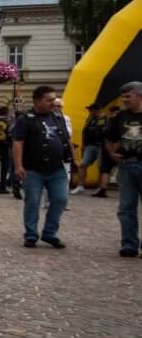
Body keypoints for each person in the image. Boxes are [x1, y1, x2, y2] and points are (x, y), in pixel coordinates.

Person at [13, 84, 77, 249]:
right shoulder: (25, 119)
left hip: (57, 168)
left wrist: (74, 159)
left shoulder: (58, 116)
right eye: (49, 100)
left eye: (53, 99)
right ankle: (31, 235)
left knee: (61, 199)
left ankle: (50, 233)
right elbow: (18, 143)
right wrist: (18, 165)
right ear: (37, 101)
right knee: (32, 202)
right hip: (33, 169)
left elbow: (67, 139)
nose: (52, 103)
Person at [105, 82, 142, 257]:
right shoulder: (120, 117)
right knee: (126, 207)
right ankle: (129, 244)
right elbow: (110, 137)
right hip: (127, 165)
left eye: (128, 96)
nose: (124, 100)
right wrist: (112, 153)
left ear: (139, 95)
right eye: (123, 96)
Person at [71, 103, 105, 194]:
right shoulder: (90, 119)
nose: (89, 112)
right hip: (90, 145)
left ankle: (100, 187)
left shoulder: (105, 119)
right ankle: (80, 186)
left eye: (91, 110)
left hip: (101, 146)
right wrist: (83, 144)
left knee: (101, 167)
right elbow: (84, 132)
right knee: (83, 165)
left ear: (97, 110)